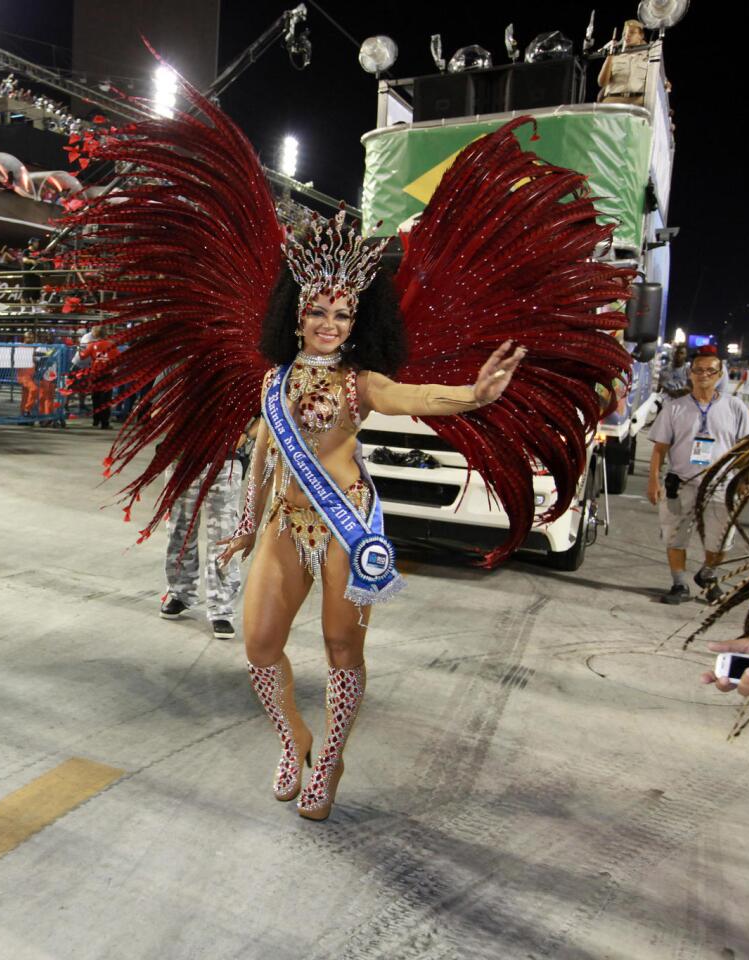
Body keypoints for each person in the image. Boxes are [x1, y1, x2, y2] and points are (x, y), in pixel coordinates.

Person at [67, 82, 632, 823]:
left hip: (347, 528)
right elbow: (269, 449)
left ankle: (328, 761)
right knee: (260, 650)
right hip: (281, 523)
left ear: (355, 317)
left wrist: (475, 396)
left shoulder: (365, 381)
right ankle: (296, 738)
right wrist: (246, 522)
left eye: (341, 312)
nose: (330, 321)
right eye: (318, 309)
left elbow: (417, 398)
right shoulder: (272, 380)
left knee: (342, 652)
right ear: (294, 312)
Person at [647, 348, 749, 604]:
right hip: (681, 483)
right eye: (698, 370)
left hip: (721, 485)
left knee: (721, 540)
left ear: (719, 375)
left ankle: (708, 574)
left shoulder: (735, 407)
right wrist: (654, 480)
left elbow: (746, 448)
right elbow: (660, 449)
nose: (703, 375)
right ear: (690, 374)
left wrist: (743, 479)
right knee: (675, 535)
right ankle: (679, 584)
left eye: (710, 370)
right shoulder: (675, 408)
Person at [161, 443, 247, 640]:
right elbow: (155, 413)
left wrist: (247, 435)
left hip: (226, 462)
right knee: (179, 532)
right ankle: (180, 593)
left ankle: (221, 609)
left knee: (223, 537)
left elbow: (263, 416)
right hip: (183, 461)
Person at [79, 326, 114, 429]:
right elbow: (118, 357)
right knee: (106, 399)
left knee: (96, 398)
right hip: (107, 375)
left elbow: (82, 356)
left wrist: (80, 348)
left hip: (95, 374)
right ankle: (105, 423)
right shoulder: (111, 345)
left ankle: (96, 420)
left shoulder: (92, 345)